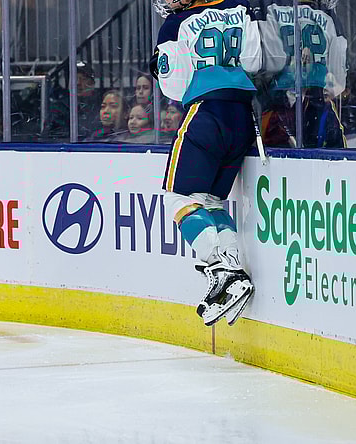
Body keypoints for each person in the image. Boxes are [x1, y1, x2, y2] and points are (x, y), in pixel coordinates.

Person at [151, 0, 261, 326]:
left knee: (178, 197)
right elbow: (254, 61)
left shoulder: (175, 23)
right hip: (242, 117)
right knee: (211, 201)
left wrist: (160, 67)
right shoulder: (241, 9)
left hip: (206, 115)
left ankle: (220, 267)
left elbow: (173, 84)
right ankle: (232, 270)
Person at [257, 0, 348, 148]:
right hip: (310, 98)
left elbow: (266, 63)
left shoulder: (269, 10)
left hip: (282, 98)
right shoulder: (328, 17)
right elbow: (338, 76)